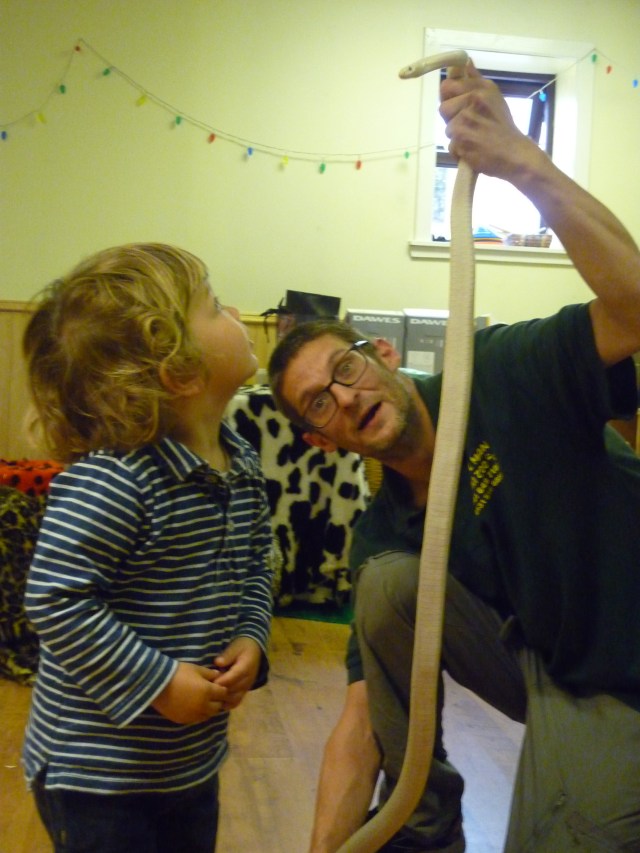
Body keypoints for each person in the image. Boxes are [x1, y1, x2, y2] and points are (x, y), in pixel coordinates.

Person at [268, 62, 640, 852]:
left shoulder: (499, 372)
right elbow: (360, 719)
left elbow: (635, 306)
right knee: (387, 587)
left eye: (345, 369)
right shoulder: (384, 532)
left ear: (382, 353)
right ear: (321, 440)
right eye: (319, 404)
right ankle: (423, 829)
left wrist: (522, 161)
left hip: (628, 659)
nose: (345, 397)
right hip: (557, 671)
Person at [21, 243, 274, 853]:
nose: (234, 311)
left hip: (187, 764)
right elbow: (56, 599)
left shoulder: (240, 461)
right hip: (96, 777)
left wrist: (252, 636)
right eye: (214, 304)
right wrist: (159, 682)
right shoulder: (116, 480)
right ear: (179, 372)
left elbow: (257, 565)